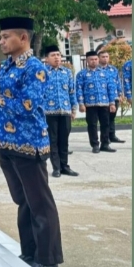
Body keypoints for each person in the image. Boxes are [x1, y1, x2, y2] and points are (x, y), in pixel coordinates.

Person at [0, 17, 63, 267]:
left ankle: (48, 259)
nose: (1, 41)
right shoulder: (6, 67)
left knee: (39, 202)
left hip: (29, 145)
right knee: (23, 201)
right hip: (6, 145)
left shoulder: (35, 67)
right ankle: (30, 252)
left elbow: (28, 106)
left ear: (23, 38)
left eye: (6, 36)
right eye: (1, 37)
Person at [42, 45, 79, 178]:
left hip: (65, 111)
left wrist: (73, 109)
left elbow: (71, 91)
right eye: (53, 55)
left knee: (64, 140)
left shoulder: (67, 72)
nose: (57, 57)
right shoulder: (42, 73)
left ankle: (65, 166)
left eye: (58, 55)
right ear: (46, 59)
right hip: (49, 113)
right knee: (53, 140)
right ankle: (56, 168)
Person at [76, 51, 117, 153]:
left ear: (98, 60)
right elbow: (79, 89)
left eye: (95, 59)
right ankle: (95, 145)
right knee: (92, 125)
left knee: (105, 124)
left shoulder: (105, 73)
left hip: (104, 103)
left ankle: (105, 144)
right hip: (90, 104)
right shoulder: (82, 74)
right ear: (87, 61)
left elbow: (110, 88)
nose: (94, 61)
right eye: (91, 59)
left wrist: (112, 103)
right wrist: (81, 103)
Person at [99, 51, 125, 144]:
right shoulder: (97, 70)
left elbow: (118, 82)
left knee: (112, 118)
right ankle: (105, 138)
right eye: (103, 57)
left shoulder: (113, 69)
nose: (105, 58)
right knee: (105, 119)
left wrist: (120, 93)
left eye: (106, 56)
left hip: (114, 96)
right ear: (99, 58)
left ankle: (112, 135)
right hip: (103, 98)